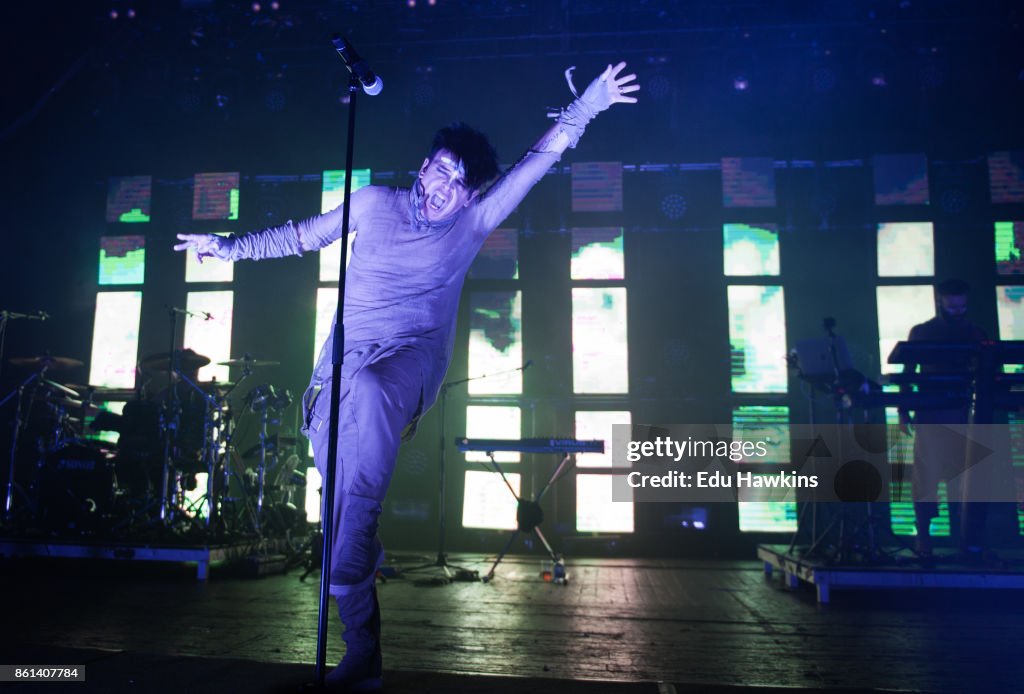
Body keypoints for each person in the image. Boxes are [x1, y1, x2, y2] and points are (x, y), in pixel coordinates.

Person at [174, 62, 639, 691]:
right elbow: (300, 236)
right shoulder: (373, 204)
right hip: (341, 365)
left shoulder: (472, 224)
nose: (441, 185)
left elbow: (537, 160)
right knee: (339, 515)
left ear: (472, 195)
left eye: (457, 180)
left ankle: (360, 530)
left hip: (409, 363)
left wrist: (587, 106)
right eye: (437, 168)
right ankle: (364, 651)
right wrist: (224, 247)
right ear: (422, 168)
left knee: (357, 486)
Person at [898, 279, 986, 558]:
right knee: (928, 477)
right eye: (953, 304)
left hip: (958, 414)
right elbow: (908, 373)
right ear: (940, 301)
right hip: (936, 413)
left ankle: (950, 541)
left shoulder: (973, 334)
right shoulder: (926, 332)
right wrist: (903, 409)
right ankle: (925, 539)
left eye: (961, 305)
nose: (958, 310)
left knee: (958, 480)